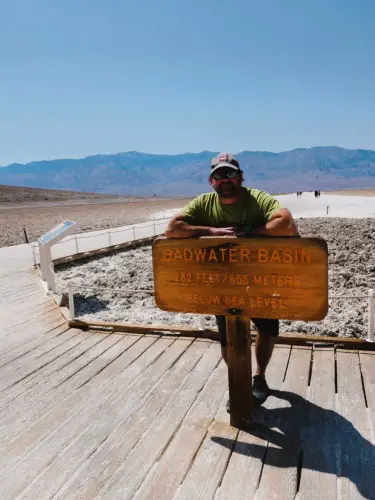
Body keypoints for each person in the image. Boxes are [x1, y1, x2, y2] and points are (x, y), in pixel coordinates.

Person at [165, 152, 299, 410]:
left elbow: (287, 224)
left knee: (267, 330)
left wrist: (251, 232)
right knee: (227, 338)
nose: (225, 179)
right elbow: (171, 229)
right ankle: (238, 382)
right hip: (222, 284)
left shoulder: (257, 198)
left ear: (241, 177)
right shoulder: (204, 203)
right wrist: (211, 231)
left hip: (259, 280)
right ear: (211, 181)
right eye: (219, 175)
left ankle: (259, 378)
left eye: (230, 174)